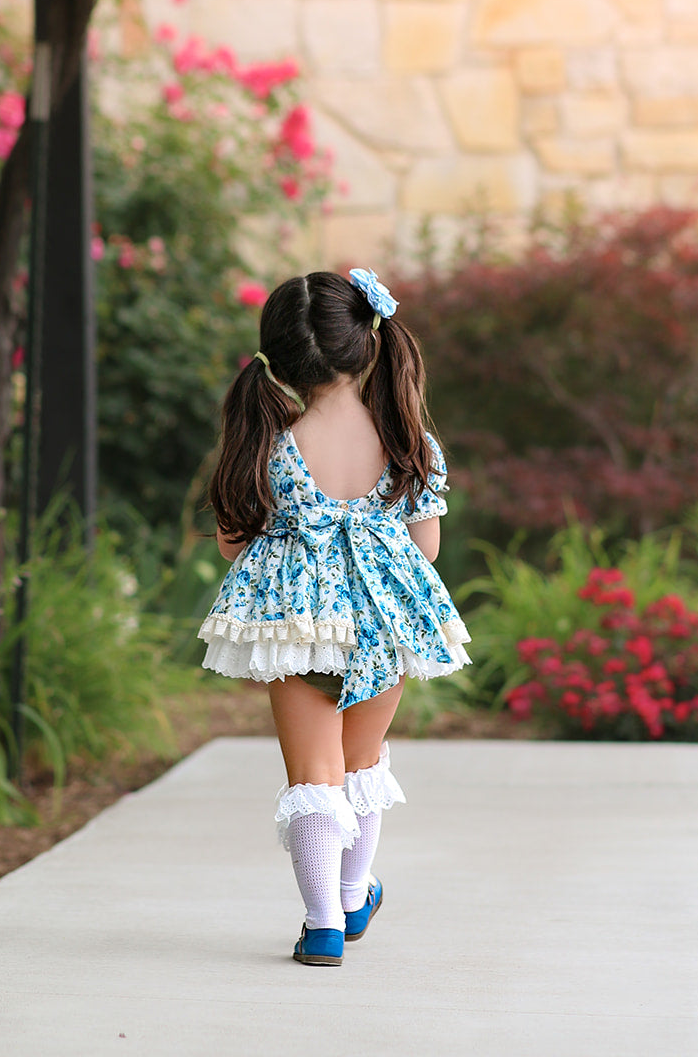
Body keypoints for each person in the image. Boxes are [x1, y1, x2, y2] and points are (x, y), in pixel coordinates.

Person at [198, 267, 470, 967]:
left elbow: (234, 543)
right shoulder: (409, 441)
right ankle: (353, 897)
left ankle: (321, 926)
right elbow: (427, 547)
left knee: (314, 776)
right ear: (370, 343)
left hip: (297, 625)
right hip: (388, 622)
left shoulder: (263, 440)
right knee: (361, 763)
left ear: (279, 359)